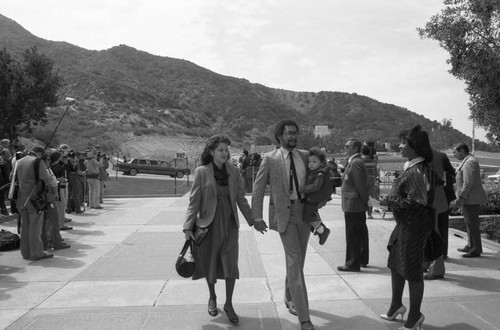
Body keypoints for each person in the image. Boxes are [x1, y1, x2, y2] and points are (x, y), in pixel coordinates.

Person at [183, 135, 253, 326]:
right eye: (221, 149)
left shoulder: (235, 171)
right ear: (212, 151)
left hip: (230, 224)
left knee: (231, 264)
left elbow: (241, 198)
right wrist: (188, 226)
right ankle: (212, 296)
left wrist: (254, 219)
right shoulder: (202, 172)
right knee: (211, 263)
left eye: (226, 150)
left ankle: (229, 303)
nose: (225, 153)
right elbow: (194, 200)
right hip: (209, 226)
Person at [252, 120, 315, 330]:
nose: (293, 137)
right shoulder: (270, 159)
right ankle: (304, 318)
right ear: (279, 136)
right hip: (284, 215)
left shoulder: (305, 156)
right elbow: (258, 188)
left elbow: (317, 181)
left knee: (299, 261)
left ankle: (290, 297)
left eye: (295, 133)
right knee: (295, 262)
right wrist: (257, 217)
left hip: (304, 214)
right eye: (288, 133)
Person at [378, 125, 441, 330]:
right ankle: (396, 306)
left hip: (415, 228)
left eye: (404, 143)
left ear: (414, 147)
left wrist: (388, 202)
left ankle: (414, 316)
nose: (400, 146)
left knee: (413, 272)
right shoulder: (413, 168)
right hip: (405, 225)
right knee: (395, 264)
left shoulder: (418, 171)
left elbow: (416, 202)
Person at [16, 146, 53, 260]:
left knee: (25, 226)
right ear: (39, 153)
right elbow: (47, 179)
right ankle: (37, 252)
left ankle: (26, 253)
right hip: (35, 199)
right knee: (35, 226)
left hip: (21, 198)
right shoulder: (37, 161)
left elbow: (12, 177)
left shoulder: (19, 161)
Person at [338, 138, 369, 272]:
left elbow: (361, 185)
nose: (345, 148)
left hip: (354, 204)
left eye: (347, 146)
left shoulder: (356, 163)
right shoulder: (354, 162)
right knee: (359, 233)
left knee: (353, 235)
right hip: (354, 203)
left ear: (355, 149)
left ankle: (352, 263)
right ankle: (361, 259)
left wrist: (365, 201)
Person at [423, 149, 455, 280]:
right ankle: (428, 263)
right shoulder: (440, 156)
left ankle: (437, 268)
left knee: (434, 233)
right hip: (439, 197)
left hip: (432, 199)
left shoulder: (425, 157)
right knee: (435, 232)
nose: (401, 146)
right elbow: (452, 173)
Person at [452, 143, 487, 258]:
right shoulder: (468, 161)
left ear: (462, 150)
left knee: (472, 224)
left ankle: (476, 249)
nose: (454, 155)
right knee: (469, 224)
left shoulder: (469, 162)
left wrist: (461, 197)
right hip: (469, 199)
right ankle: (471, 245)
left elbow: (468, 183)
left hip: (470, 199)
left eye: (455, 152)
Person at [300, 147, 331, 245]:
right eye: (309, 162)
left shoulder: (320, 174)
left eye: (314, 162)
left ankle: (322, 230)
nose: (311, 164)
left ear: (321, 163)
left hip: (314, 199)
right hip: (312, 199)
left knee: (307, 216)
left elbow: (316, 186)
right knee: (312, 213)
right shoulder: (314, 172)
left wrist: (303, 189)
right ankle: (319, 227)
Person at [361, 146, 378, 219]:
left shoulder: (360, 160)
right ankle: (370, 214)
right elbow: (376, 173)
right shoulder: (373, 161)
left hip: (363, 181)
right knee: (370, 197)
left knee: (362, 197)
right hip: (371, 181)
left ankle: (362, 213)